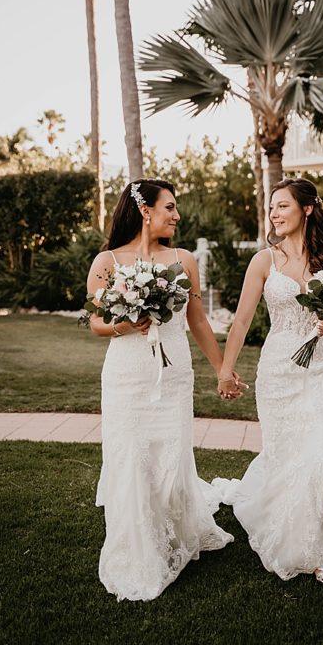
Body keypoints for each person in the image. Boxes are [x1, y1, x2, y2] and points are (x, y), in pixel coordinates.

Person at [212, 178, 323, 585]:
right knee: (287, 455)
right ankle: (286, 528)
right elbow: (242, 320)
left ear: (307, 210)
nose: (274, 213)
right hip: (278, 371)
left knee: (321, 455)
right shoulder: (263, 261)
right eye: (272, 207)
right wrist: (225, 368)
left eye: (283, 205)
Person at [86, 178, 233, 601]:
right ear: (145, 210)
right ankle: (138, 545)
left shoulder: (184, 259)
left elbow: (198, 321)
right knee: (131, 457)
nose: (177, 215)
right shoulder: (107, 260)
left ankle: (174, 530)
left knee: (171, 458)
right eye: (170, 206)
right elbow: (96, 323)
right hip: (126, 374)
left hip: (174, 373)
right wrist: (124, 325)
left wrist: (222, 368)